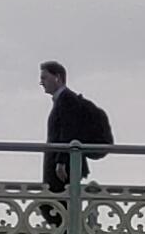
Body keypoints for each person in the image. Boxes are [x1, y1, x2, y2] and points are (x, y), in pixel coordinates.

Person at [38, 60, 112, 193]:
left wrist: (61, 162)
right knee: (56, 201)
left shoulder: (67, 100)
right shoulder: (64, 100)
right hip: (63, 164)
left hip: (63, 167)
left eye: (44, 78)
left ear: (57, 77)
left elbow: (69, 130)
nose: (41, 82)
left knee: (59, 200)